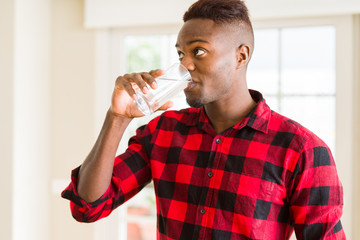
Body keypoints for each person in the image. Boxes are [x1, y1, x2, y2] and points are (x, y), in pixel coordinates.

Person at [62, 0, 346, 239]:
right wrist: (117, 118)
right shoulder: (162, 132)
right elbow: (89, 207)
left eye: (198, 51)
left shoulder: (302, 150)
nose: (185, 64)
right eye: (180, 53)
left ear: (241, 56)